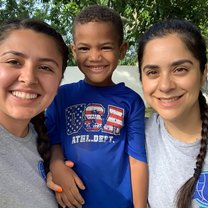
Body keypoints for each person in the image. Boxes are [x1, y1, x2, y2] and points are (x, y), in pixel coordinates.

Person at [45, 4, 148, 208]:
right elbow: (53, 142)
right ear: (74, 51)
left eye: (105, 47)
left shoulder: (131, 101)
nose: (94, 57)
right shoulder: (61, 96)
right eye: (84, 48)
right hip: (73, 202)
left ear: (122, 50)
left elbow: (137, 161)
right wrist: (56, 166)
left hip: (120, 202)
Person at [138, 19, 208, 207]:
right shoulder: (137, 137)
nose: (166, 86)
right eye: (152, 72)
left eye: (180, 69)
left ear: (203, 73)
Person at [0, 18, 69, 207]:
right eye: (14, 61)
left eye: (45, 68)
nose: (29, 78)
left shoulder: (45, 139)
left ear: (59, 81)